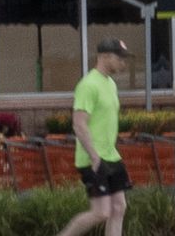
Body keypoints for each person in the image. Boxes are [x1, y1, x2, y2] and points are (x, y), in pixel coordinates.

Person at [56, 38, 134, 236]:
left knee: (119, 208)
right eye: (120, 58)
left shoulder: (111, 84)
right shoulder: (88, 85)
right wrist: (94, 157)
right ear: (105, 56)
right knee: (101, 212)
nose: (123, 63)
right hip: (93, 158)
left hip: (111, 156)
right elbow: (79, 124)